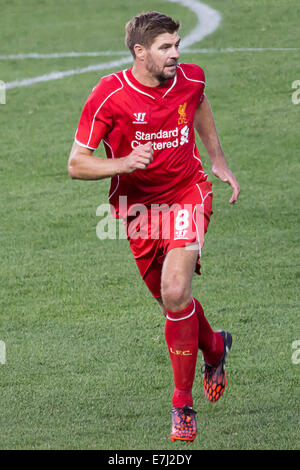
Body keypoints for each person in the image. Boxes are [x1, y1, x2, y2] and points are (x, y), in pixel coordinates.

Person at [68, 11, 240, 442]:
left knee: (177, 290)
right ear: (139, 52)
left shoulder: (191, 78)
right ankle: (215, 347)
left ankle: (181, 404)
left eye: (177, 44)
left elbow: (198, 103)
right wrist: (123, 162)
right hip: (138, 209)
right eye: (165, 47)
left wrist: (217, 160)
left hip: (188, 193)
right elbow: (76, 164)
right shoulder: (109, 96)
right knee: (171, 304)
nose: (176, 54)